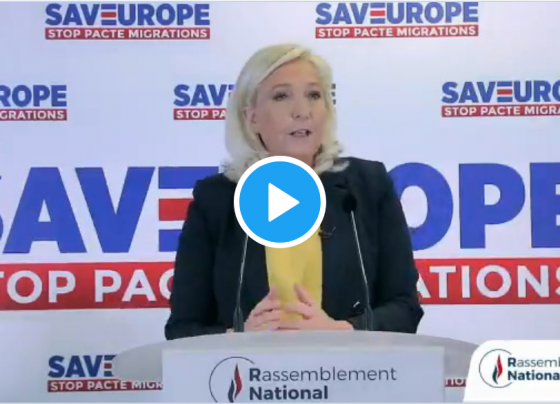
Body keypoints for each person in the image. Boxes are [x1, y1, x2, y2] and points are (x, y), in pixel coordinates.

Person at [164, 43, 423, 339]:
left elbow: (405, 309)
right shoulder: (217, 200)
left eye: (314, 95)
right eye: (281, 96)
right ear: (252, 117)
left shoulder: (367, 186)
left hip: (351, 365)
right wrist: (237, 337)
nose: (302, 112)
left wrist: (343, 331)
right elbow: (182, 328)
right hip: (251, 367)